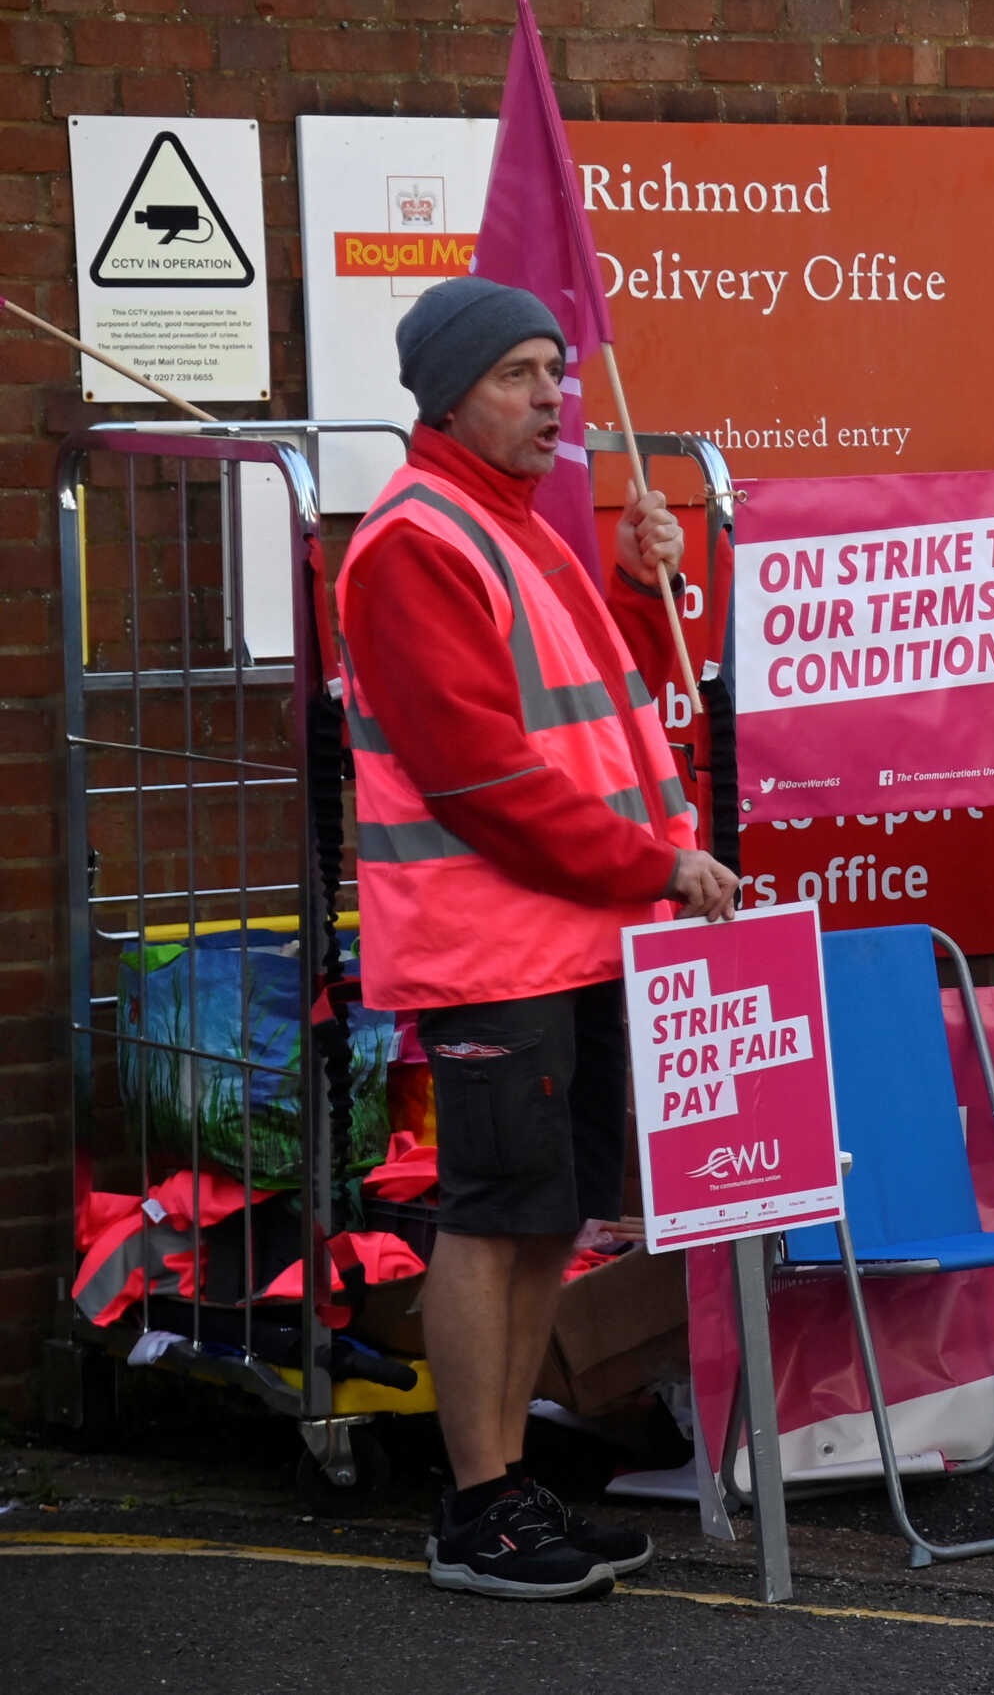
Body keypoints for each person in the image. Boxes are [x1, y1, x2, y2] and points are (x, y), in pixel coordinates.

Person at [338, 277, 741, 1598]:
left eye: (554, 371)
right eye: (518, 373)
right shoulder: (419, 540)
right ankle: (476, 1501)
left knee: (540, 1218)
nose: (551, 396)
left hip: (560, 936)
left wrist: (638, 588)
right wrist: (655, 861)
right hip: (491, 941)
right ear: (448, 394)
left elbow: (597, 706)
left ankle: (505, 1485)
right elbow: (481, 777)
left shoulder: (511, 526)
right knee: (498, 1214)